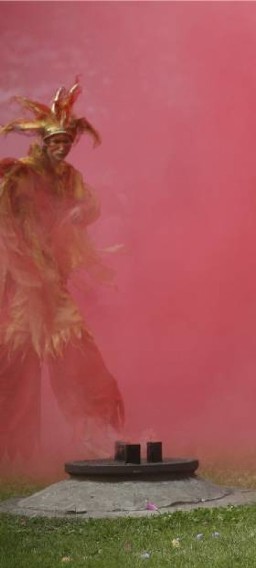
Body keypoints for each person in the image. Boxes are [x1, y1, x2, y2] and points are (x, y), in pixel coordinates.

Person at [0, 81, 125, 460]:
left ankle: (96, 430)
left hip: (52, 280)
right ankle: (14, 448)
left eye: (67, 143)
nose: (62, 149)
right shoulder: (20, 175)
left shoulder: (70, 178)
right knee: (16, 359)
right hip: (24, 283)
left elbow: (90, 206)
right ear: (43, 142)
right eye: (56, 142)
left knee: (74, 349)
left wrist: (77, 213)